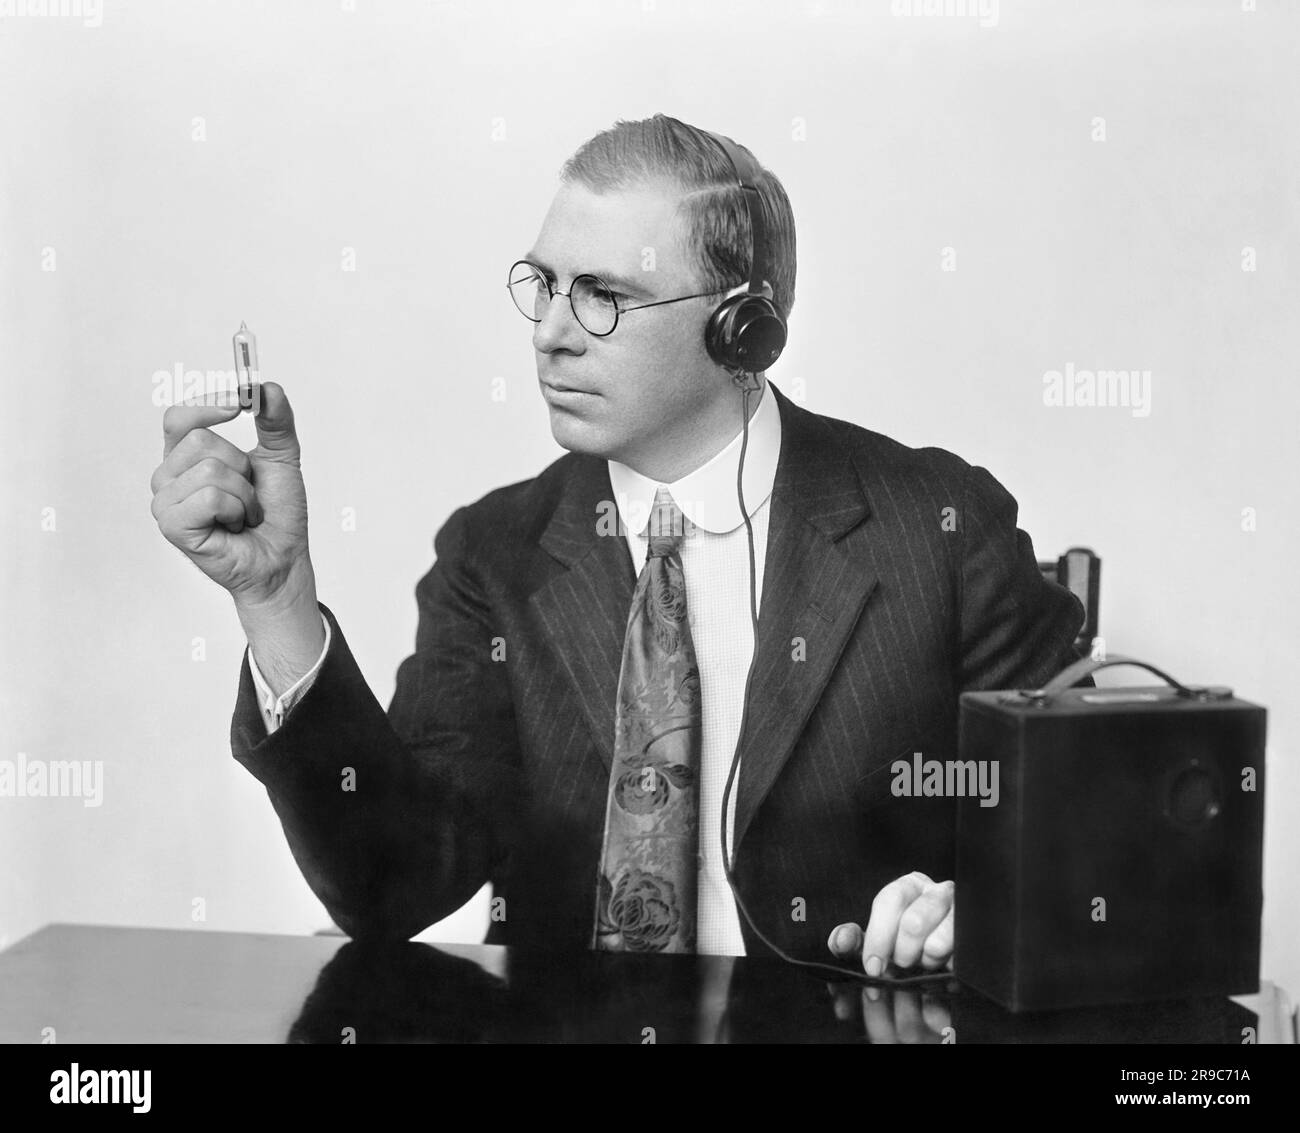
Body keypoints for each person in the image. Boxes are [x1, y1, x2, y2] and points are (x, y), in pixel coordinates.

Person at [149, 114, 1084, 974]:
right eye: (545, 286)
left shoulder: (940, 527)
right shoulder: (494, 552)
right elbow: (391, 886)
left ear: (741, 328)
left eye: (602, 296)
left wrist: (989, 906)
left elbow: (1092, 846)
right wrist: (274, 599)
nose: (550, 334)